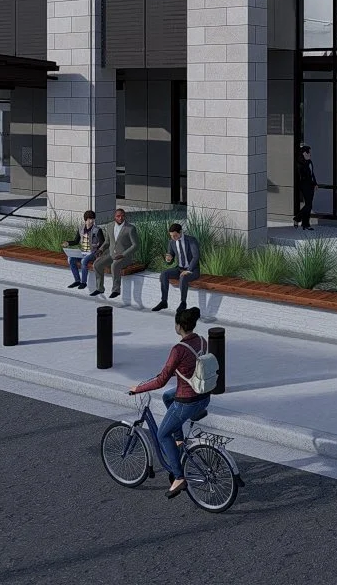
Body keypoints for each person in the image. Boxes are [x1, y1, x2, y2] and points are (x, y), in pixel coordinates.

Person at [127, 306, 212, 499]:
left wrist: (137, 388)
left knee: (162, 434)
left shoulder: (178, 349)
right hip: (203, 396)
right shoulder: (201, 341)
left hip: (187, 400)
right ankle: (179, 439)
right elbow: (191, 366)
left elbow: (161, 381)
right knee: (167, 396)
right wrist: (174, 370)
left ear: (179, 325)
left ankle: (179, 477)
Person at [153, 220, 202, 312]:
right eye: (171, 235)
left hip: (193, 270)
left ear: (181, 232)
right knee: (164, 274)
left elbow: (196, 257)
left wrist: (189, 270)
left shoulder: (191, 240)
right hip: (179, 268)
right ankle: (164, 301)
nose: (173, 237)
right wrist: (168, 259)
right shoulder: (171, 242)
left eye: (175, 235)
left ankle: (183, 303)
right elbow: (170, 259)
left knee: (183, 277)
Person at [90, 207, 137, 299]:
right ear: (114, 217)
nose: (120, 218)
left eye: (122, 216)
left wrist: (123, 254)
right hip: (112, 255)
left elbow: (135, 245)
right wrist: (101, 250)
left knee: (114, 265)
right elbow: (107, 242)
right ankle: (99, 288)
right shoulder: (110, 226)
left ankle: (116, 290)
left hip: (125, 257)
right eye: (118, 216)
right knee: (97, 264)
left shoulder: (130, 228)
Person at [67, 209, 105, 289]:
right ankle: (77, 281)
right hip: (83, 251)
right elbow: (76, 241)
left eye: (93, 219)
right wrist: (68, 243)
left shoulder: (97, 230)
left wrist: (98, 250)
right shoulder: (80, 228)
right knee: (70, 259)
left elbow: (103, 243)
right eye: (89, 219)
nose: (91, 221)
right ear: (85, 220)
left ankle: (83, 282)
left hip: (93, 252)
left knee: (83, 261)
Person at [293, 144, 317, 230]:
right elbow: (303, 175)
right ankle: (297, 219)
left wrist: (315, 184)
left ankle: (305, 224)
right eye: (309, 153)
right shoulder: (300, 163)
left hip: (311, 185)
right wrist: (306, 162)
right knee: (308, 205)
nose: (310, 154)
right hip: (304, 186)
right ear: (304, 153)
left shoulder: (310, 162)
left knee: (309, 205)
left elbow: (312, 174)